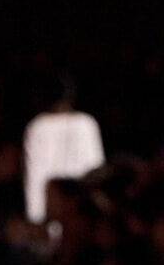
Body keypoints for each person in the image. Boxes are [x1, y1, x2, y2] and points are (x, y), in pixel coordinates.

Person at [22, 74, 105, 227]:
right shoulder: (87, 124)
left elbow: (35, 175)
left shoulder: (38, 127)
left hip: (76, 210)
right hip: (72, 210)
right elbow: (96, 169)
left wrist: (35, 218)